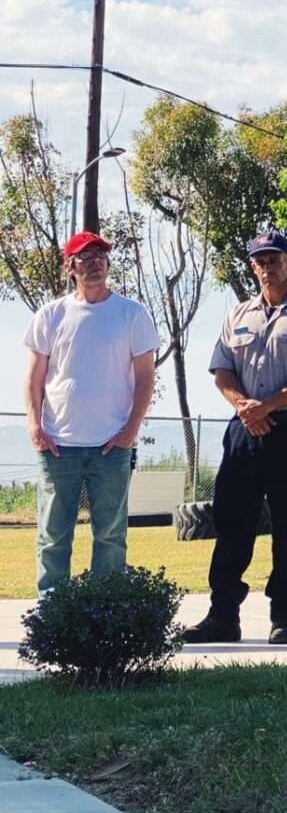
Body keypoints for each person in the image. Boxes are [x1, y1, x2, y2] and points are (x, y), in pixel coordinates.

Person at [183, 230, 287, 646]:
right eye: (261, 261)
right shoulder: (238, 315)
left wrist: (266, 406)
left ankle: (284, 615)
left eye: (275, 259)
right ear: (253, 267)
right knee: (232, 522)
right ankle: (223, 615)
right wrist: (244, 407)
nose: (268, 267)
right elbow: (222, 370)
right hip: (243, 430)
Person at [23, 231, 159, 595]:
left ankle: (106, 614)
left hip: (111, 446)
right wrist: (36, 427)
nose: (95, 261)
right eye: (85, 256)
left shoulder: (132, 314)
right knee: (53, 536)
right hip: (57, 445)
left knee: (111, 537)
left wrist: (129, 432)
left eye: (100, 255)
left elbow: (146, 378)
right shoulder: (51, 315)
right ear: (70, 266)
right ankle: (50, 614)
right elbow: (34, 378)